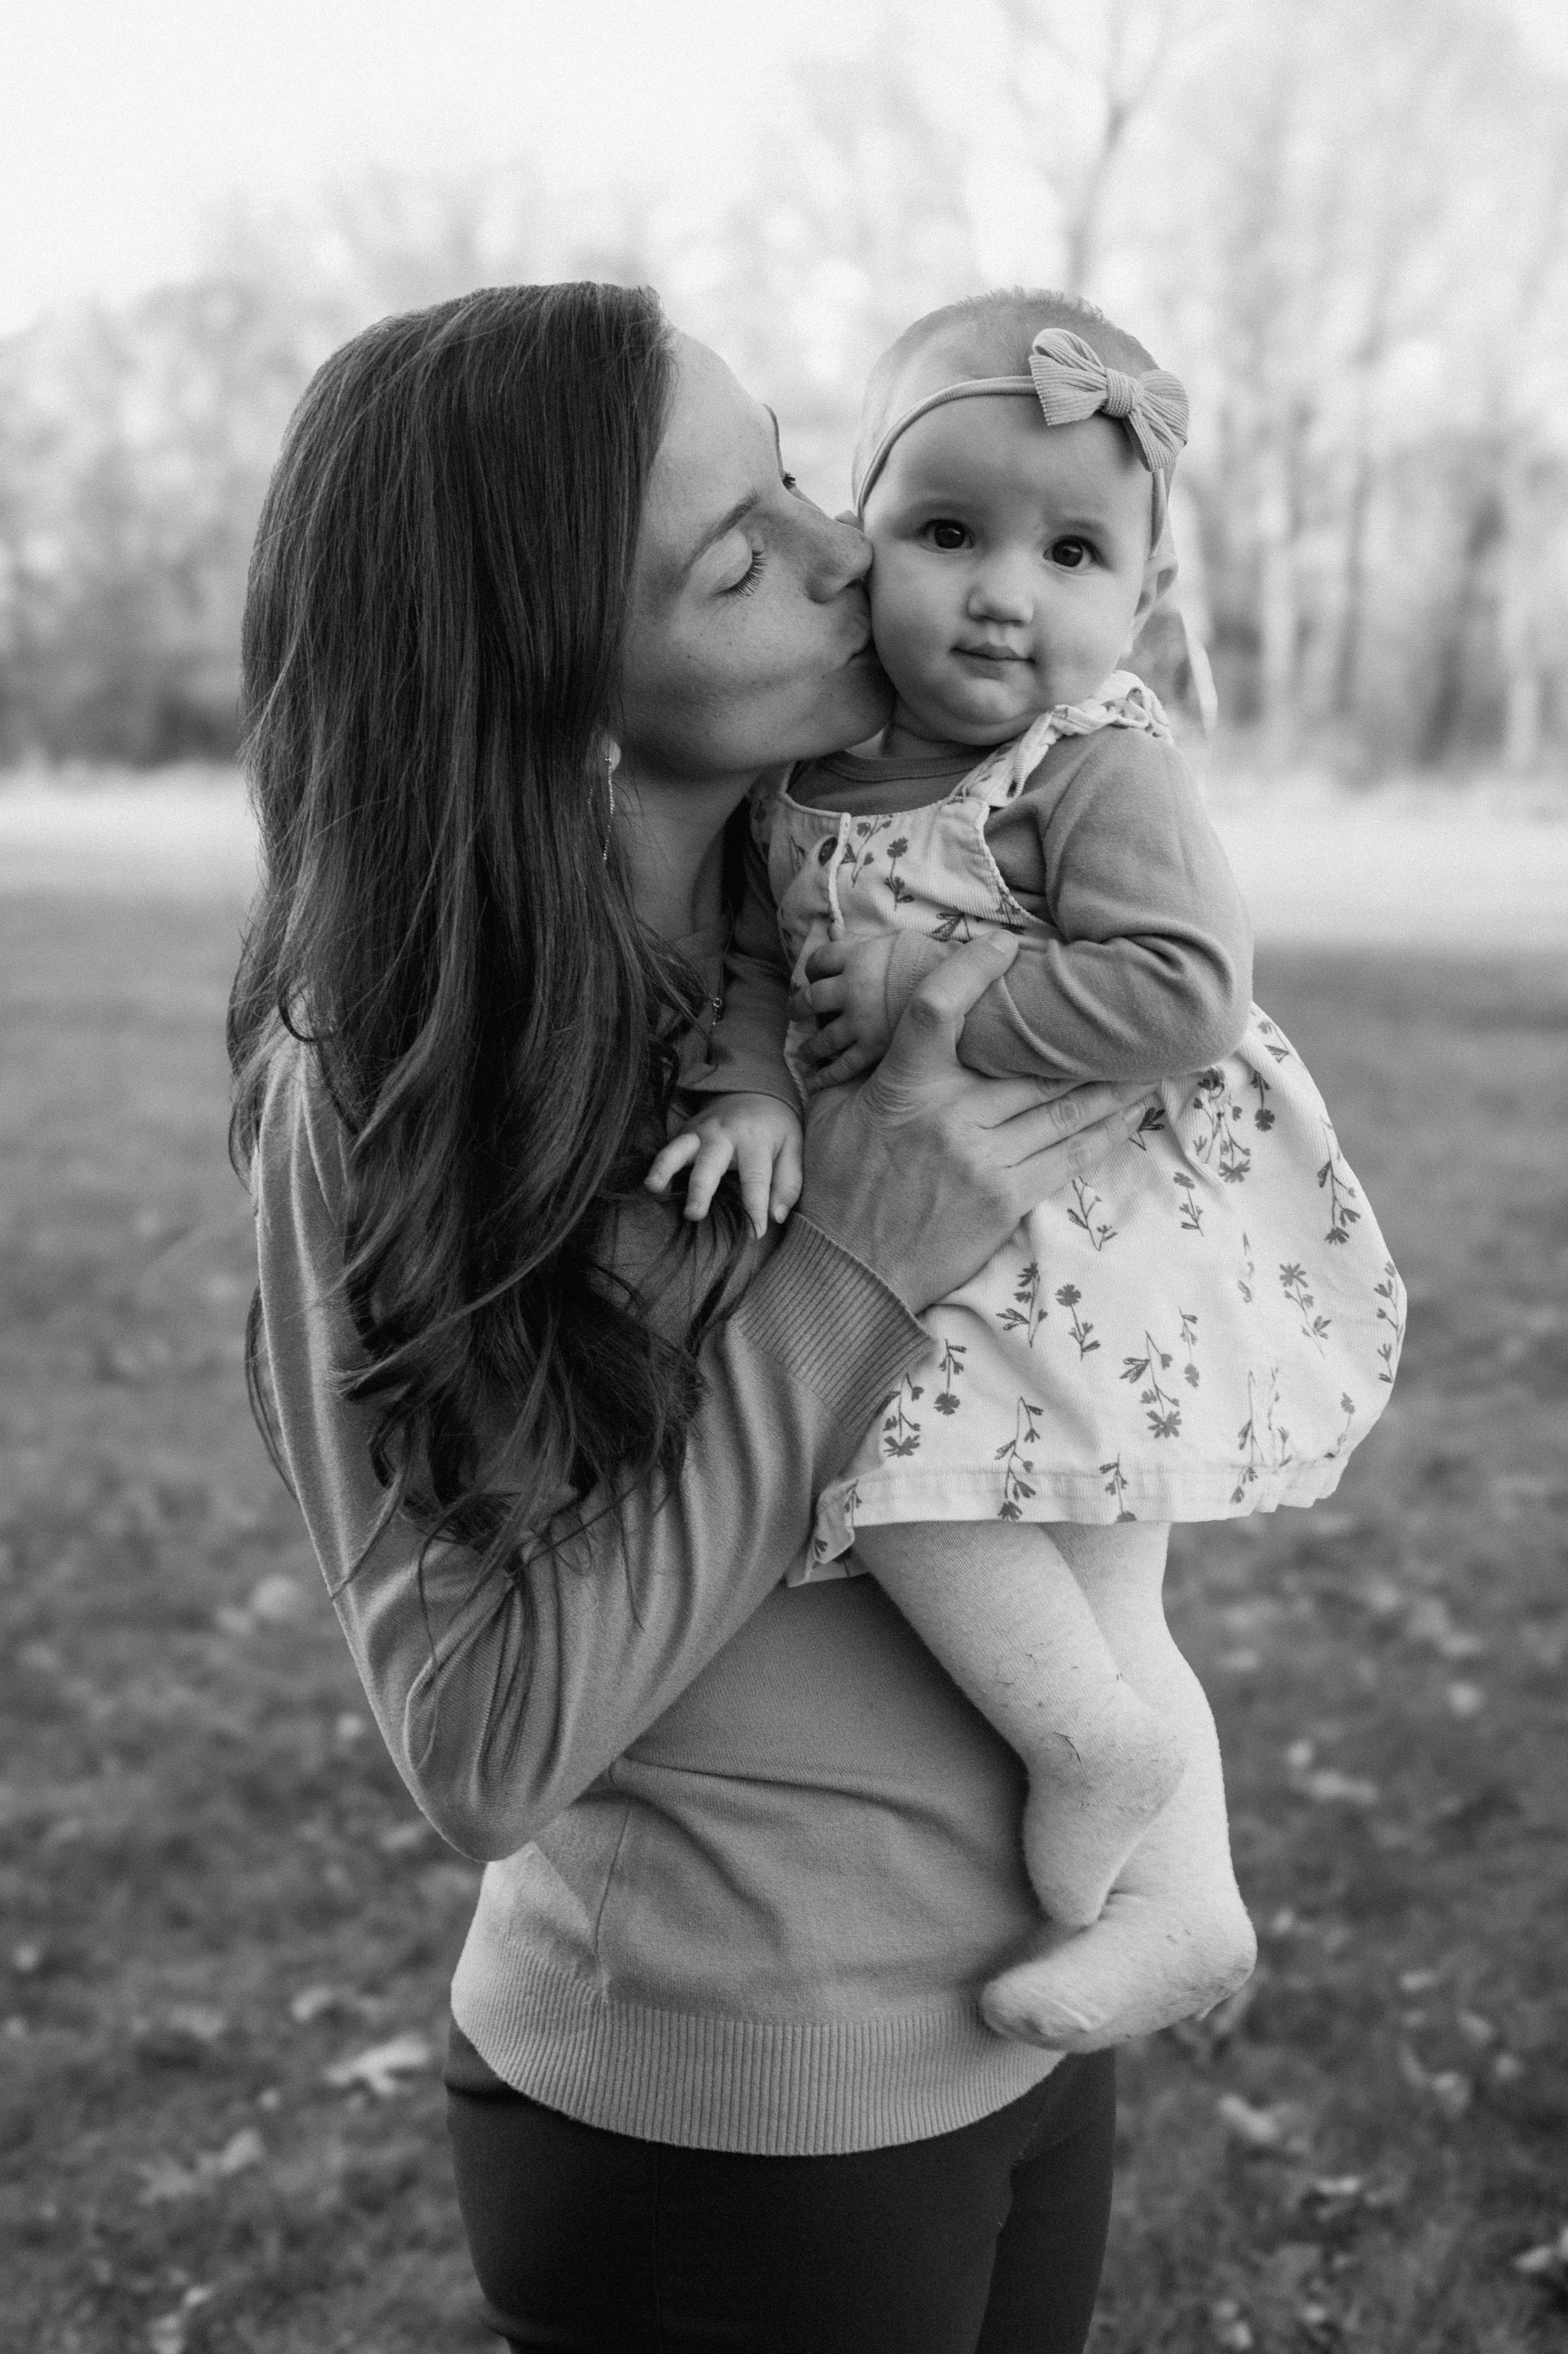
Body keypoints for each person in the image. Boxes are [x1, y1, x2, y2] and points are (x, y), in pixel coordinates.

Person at [228, 280, 1165, 2354]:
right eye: (741, 553)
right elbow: (479, 1745)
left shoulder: (853, 904)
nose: (853, 552)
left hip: (1031, 2014)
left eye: (797, 479)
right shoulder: (387, 1086)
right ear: (558, 691)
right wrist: (850, 1264)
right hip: (729, 2133)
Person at [654, 289, 1405, 2050]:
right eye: (944, 532)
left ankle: (1094, 1751)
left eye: (1072, 552)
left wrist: (956, 994)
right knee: (1096, 1582)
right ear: (859, 545)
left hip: (1087, 1222)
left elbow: (1183, 985)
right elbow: (760, 961)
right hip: (951, 1208)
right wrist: (752, 1088)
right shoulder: (807, 770)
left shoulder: (1089, 765)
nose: (1004, 590)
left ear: (1136, 603)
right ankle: (1186, 1909)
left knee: (907, 1473)